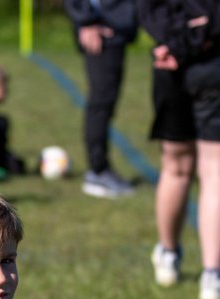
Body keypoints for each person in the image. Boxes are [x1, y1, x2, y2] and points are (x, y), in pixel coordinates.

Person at [139, 0, 220, 299]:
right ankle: (213, 275)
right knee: (215, 173)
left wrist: (178, 41)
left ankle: (168, 256)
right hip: (219, 62)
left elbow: (147, 11)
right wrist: (196, 34)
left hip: (172, 61)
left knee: (175, 167)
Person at [64, 0, 138, 199]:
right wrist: (86, 20)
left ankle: (99, 170)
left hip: (115, 30)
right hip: (101, 30)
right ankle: (98, 172)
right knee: (101, 103)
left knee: (106, 102)